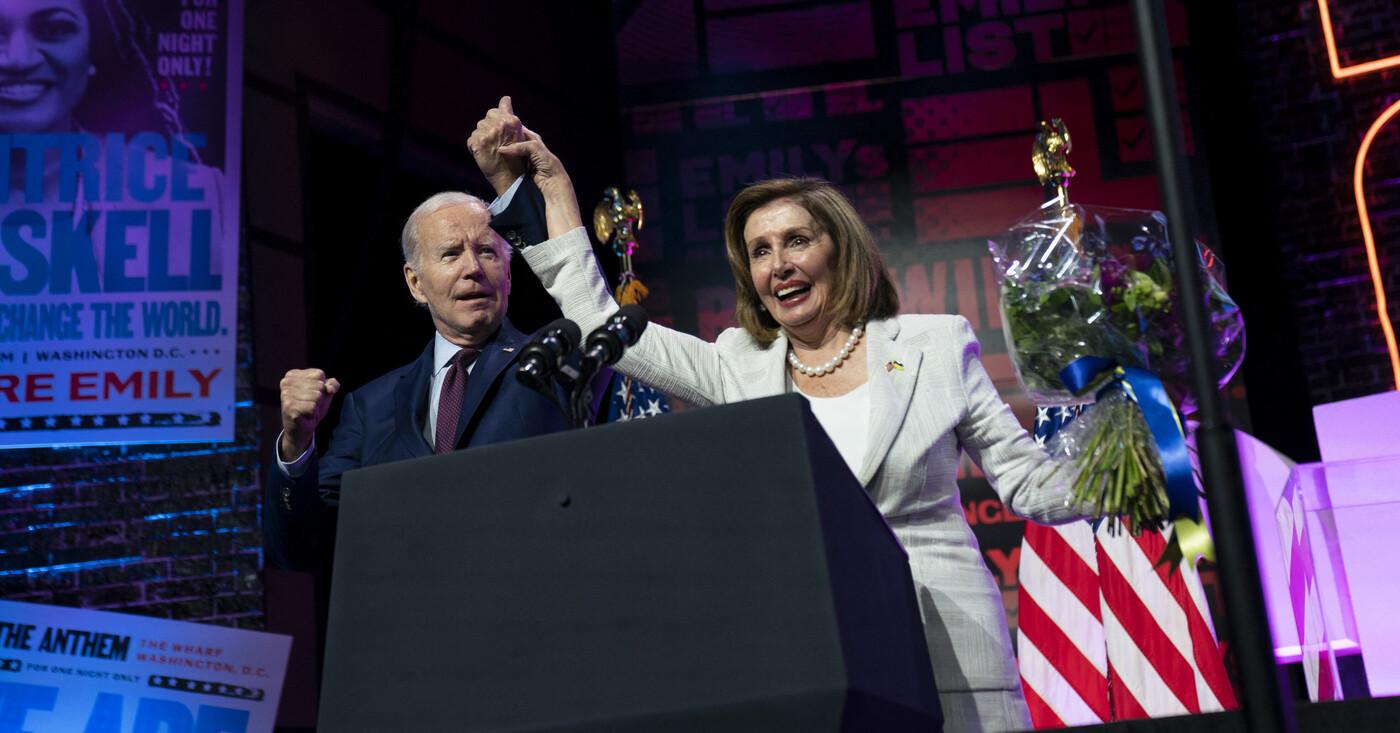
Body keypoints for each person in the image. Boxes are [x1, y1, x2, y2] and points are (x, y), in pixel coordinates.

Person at [482, 109, 1087, 732]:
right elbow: (593, 315)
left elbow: (1026, 482)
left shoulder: (935, 344)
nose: (779, 265)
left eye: (797, 241)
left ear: (839, 246)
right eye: (760, 251)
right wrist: (551, 187)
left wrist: (1128, 464)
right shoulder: (737, 364)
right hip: (819, 654)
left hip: (950, 648)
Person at [262, 190, 566, 572]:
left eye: (487, 251)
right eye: (451, 253)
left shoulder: (553, 364)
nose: (473, 267)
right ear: (415, 283)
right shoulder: (370, 407)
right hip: (408, 622)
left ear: (508, 272)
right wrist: (296, 443)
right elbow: (297, 549)